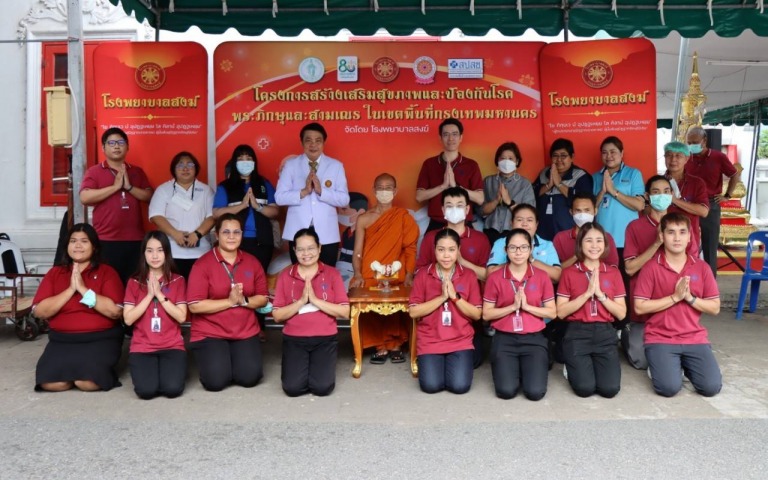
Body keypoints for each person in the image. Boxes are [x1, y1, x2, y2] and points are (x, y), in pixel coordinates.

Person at [634, 212, 722, 398]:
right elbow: (639, 307)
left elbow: (715, 307)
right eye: (671, 232)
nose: (677, 238)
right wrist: (674, 297)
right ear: (661, 236)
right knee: (668, 388)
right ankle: (665, 367)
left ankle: (682, 366)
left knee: (711, 388)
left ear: (690, 236)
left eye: (682, 232)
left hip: (694, 337)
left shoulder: (701, 267)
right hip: (660, 337)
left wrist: (690, 298)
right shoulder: (651, 267)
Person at [31, 223, 124, 392]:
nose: (78, 245)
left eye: (84, 241)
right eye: (73, 241)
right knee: (52, 384)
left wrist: (83, 290)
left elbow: (115, 311)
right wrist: (70, 290)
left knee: (87, 383)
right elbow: (39, 311)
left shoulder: (106, 272)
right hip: (62, 340)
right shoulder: (55, 273)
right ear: (67, 246)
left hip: (99, 339)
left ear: (94, 247)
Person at [186, 213, 269, 392]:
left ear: (242, 234)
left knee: (249, 378)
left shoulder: (252, 262)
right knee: (216, 382)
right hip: (211, 332)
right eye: (226, 232)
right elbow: (194, 305)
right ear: (217, 235)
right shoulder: (202, 264)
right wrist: (230, 301)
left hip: (244, 331)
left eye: (236, 232)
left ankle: (233, 360)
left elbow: (263, 298)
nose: (231, 236)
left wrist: (244, 300)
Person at [623, 175, 699, 370]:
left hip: (676, 308)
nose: (662, 196)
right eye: (656, 192)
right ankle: (626, 334)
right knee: (642, 361)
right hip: (645, 309)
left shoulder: (682, 224)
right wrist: (656, 243)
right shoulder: (635, 226)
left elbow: (693, 265)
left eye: (666, 192)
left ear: (672, 194)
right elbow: (630, 268)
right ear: (648, 196)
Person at [349, 173, 419, 364]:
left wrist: (409, 274)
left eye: (389, 188)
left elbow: (410, 249)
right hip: (370, 273)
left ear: (395, 191)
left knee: (395, 290)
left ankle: (395, 344)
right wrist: (357, 273)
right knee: (364, 288)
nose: (384, 192)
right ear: (374, 190)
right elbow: (357, 252)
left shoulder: (402, 217)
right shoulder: (364, 219)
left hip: (395, 272)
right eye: (380, 187)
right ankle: (380, 345)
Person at [416, 187, 490, 367]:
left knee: (472, 362)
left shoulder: (480, 239)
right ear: (442, 210)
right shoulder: (431, 238)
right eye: (449, 206)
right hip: (434, 314)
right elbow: (419, 272)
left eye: (459, 205)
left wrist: (463, 262)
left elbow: (489, 276)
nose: (454, 210)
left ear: (467, 210)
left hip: (469, 315)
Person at [272, 228, 350, 397]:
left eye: (311, 248)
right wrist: (300, 301)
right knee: (292, 389)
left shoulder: (332, 274)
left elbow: (345, 311)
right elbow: (277, 315)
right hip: (294, 339)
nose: (306, 253)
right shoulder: (285, 275)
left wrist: (315, 300)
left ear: (319, 248)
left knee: (322, 388)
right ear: (294, 251)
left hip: (325, 339)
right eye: (300, 249)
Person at [482, 228, 556, 400]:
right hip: (505, 338)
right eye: (513, 248)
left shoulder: (542, 276)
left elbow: (552, 312)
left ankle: (526, 370)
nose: (518, 252)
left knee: (535, 393)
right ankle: (516, 371)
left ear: (530, 250)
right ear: (505, 250)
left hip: (534, 338)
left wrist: (527, 307)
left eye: (523, 247)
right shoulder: (495, 277)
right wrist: (512, 307)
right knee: (506, 392)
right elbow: (486, 314)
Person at [556, 223, 627, 398]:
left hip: (605, 333)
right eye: (589, 241)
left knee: (609, 390)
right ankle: (571, 367)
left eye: (598, 240)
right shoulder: (569, 273)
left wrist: (601, 296)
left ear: (605, 245)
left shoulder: (613, 273)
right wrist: (587, 294)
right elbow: (561, 312)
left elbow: (621, 313)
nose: (594, 246)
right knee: (584, 389)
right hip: (577, 333)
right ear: (580, 244)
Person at [409, 229, 482, 394]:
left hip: (460, 340)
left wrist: (455, 298)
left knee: (459, 386)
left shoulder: (469, 275)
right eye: (441, 250)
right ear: (434, 250)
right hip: (431, 340)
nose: (446, 255)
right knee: (431, 386)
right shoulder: (423, 275)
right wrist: (442, 298)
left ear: (459, 250)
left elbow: (477, 314)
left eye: (451, 250)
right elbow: (414, 312)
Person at [79, 127, 153, 285]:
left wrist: (129, 187)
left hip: (135, 240)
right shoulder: (94, 172)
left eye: (121, 142)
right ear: (103, 147)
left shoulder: (137, 172)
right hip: (105, 240)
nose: (116, 146)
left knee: (133, 285)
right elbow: (84, 197)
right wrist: (114, 187)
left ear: (127, 146)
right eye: (111, 143)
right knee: (107, 285)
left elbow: (149, 196)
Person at [123, 231, 188, 400]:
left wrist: (160, 295)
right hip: (142, 347)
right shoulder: (134, 282)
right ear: (143, 253)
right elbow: (128, 319)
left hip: (172, 346)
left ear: (166, 253)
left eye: (160, 250)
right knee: (146, 392)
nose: (155, 256)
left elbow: (181, 317)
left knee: (172, 390)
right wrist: (149, 296)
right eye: (149, 250)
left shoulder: (178, 280)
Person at [275, 122, 350, 266]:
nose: (313, 145)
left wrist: (322, 192)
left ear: (324, 143)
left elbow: (344, 199)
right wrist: (303, 192)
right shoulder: (291, 165)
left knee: (326, 277)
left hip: (327, 233)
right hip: (297, 231)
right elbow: (279, 198)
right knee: (299, 275)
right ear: (302, 142)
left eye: (318, 140)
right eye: (308, 140)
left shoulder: (336, 166)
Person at [149, 151, 215, 279]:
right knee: (174, 292)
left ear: (196, 168)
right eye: (180, 165)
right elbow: (156, 216)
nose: (185, 168)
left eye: (190, 164)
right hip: (171, 252)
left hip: (201, 252)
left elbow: (212, 217)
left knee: (198, 291)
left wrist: (197, 234)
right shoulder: (163, 189)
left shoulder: (206, 190)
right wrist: (175, 234)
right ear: (173, 169)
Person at [685, 126, 740, 276]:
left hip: (711, 204)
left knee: (710, 248)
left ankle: (710, 287)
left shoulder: (718, 157)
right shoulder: (686, 157)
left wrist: (727, 195)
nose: (691, 145)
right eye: (689, 142)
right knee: (686, 244)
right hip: (688, 205)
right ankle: (689, 281)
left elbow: (734, 174)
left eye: (695, 142)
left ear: (704, 141)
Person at [416, 118, 484, 232]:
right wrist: (443, 186)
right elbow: (419, 197)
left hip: (464, 223)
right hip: (437, 223)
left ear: (461, 137)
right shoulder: (429, 164)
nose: (451, 138)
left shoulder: (471, 165)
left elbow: (480, 199)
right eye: (446, 134)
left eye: (455, 134)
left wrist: (456, 187)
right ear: (440, 138)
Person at [592, 136, 645, 272]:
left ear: (621, 153)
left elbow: (639, 205)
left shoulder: (633, 173)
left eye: (613, 152)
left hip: (626, 241)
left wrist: (614, 191)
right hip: (601, 242)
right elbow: (590, 210)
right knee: (605, 281)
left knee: (626, 283)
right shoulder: (595, 177)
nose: (609, 156)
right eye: (604, 152)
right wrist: (603, 192)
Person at [532, 138, 593, 241]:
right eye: (555, 156)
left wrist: (559, 184)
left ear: (572, 157)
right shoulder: (544, 173)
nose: (559, 160)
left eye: (563, 156)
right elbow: (532, 195)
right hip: (543, 233)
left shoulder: (581, 176)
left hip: (568, 233)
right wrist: (548, 185)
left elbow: (585, 202)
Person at [487, 203, 561, 283]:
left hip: (539, 292)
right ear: (511, 223)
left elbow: (557, 276)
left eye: (529, 220)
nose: (525, 224)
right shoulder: (501, 243)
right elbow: (490, 273)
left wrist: (531, 260)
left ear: (536, 225)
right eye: (519, 220)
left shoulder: (547, 245)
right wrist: (515, 261)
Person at [480, 142, 536, 245]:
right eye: (502, 158)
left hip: (515, 232)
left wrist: (509, 202)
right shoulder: (488, 181)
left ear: (517, 161)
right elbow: (481, 211)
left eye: (510, 159)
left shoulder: (525, 184)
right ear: (497, 161)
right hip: (490, 231)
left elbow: (529, 214)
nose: (506, 162)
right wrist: (496, 200)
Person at [663, 141, 709, 256]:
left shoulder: (697, 183)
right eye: (669, 155)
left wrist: (674, 200)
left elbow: (703, 211)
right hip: (662, 239)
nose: (673, 159)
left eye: (678, 156)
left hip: (689, 241)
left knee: (688, 273)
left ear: (686, 159)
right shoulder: (657, 182)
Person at [552, 192, 620, 269]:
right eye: (578, 210)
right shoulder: (560, 238)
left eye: (587, 210)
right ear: (571, 212)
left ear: (595, 211)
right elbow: (555, 272)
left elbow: (613, 268)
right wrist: (577, 256)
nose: (582, 215)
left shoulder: (605, 237)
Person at [336, 192, 368, 290]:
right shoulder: (346, 231)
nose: (341, 213)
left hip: (353, 269)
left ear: (361, 211)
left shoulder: (366, 232)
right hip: (340, 266)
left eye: (344, 209)